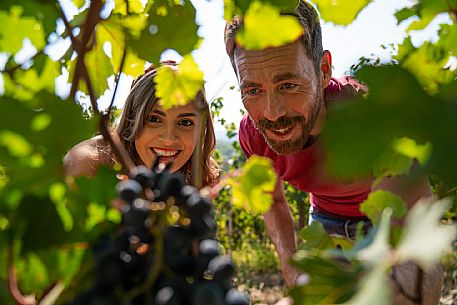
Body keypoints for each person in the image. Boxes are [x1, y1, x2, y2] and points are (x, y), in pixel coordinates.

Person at [224, 1, 442, 303]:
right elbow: (272, 201)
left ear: (323, 71)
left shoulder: (370, 115)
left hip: (385, 220)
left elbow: (407, 233)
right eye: (253, 91)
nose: (272, 113)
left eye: (288, 84)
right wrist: (293, 273)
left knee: (408, 290)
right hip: (325, 223)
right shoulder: (253, 134)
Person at [63, 62, 219, 188]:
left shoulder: (203, 176)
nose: (169, 139)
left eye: (185, 122)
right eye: (154, 119)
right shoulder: (88, 164)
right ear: (132, 119)